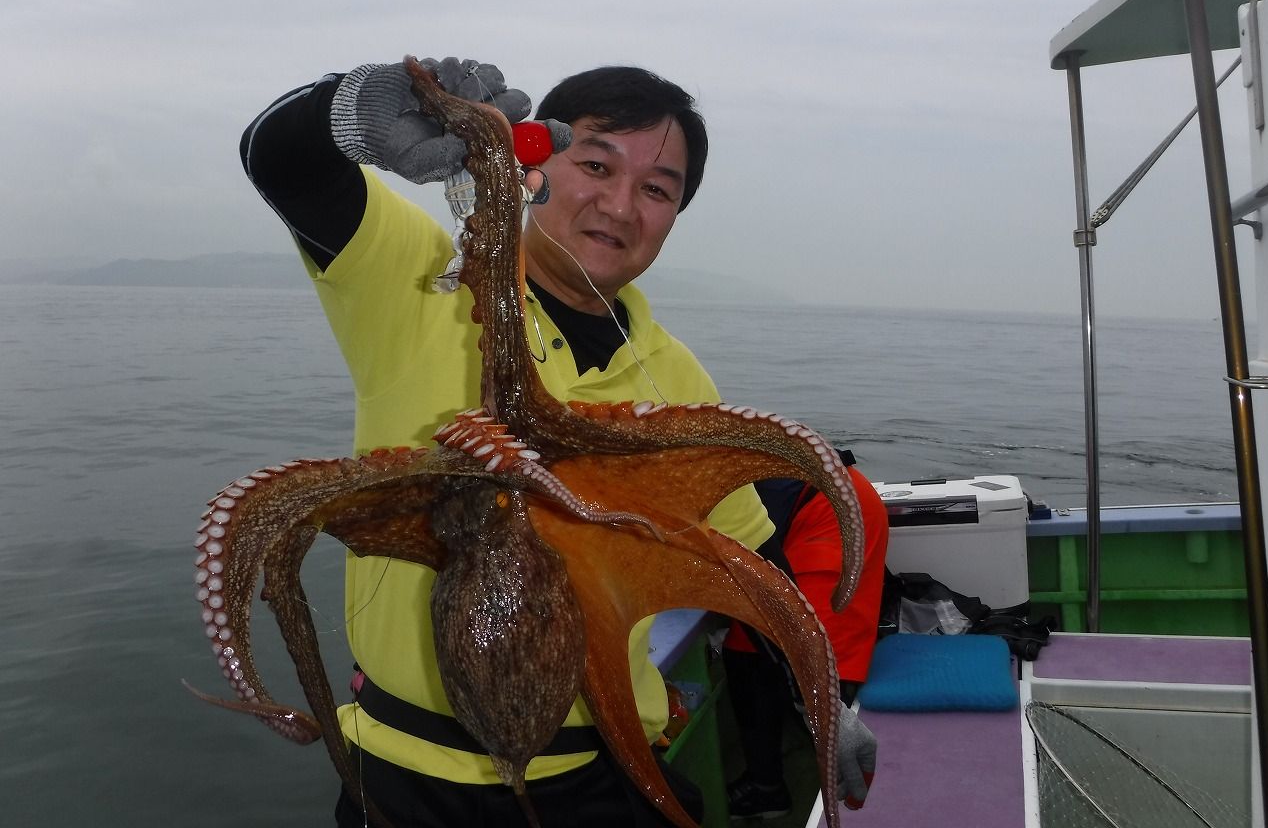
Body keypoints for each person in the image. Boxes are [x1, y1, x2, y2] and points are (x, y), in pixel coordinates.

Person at [239, 55, 876, 826]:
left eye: (657, 189)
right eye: (597, 165)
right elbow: (280, 161)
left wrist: (823, 698)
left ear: (675, 215)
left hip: (608, 772)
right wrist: (349, 108)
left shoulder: (678, 380)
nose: (620, 204)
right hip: (411, 782)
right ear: (534, 165)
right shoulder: (421, 279)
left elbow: (750, 567)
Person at [722, 451, 888, 820]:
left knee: (807, 649)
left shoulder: (699, 479)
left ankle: (831, 779)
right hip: (812, 500)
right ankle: (767, 785)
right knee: (743, 648)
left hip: (830, 510)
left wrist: (820, 703)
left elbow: (756, 573)